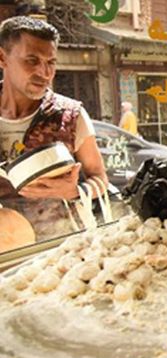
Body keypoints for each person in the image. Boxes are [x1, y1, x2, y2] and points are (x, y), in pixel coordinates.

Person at [0, 16, 107, 237]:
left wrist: (77, 190)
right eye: (32, 60)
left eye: (51, 62)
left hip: (58, 253)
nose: (45, 73)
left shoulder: (70, 115)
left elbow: (100, 178)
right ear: (3, 58)